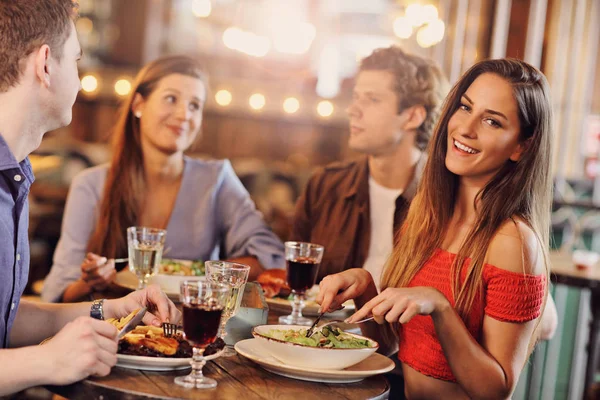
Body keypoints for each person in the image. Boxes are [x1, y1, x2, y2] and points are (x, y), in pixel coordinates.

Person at [317, 58, 555, 399]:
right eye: (465, 107)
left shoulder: (512, 241)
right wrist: (365, 289)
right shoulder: (426, 213)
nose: (466, 128)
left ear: (522, 146)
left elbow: (495, 390)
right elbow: (394, 346)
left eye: (491, 121)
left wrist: (440, 307)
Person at [0, 0, 179, 395]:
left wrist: (108, 311)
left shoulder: (13, 174)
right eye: (77, 61)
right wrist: (46, 361)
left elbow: (4, 320)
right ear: (45, 64)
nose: (81, 82)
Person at [41, 55, 285, 303]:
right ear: (138, 104)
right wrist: (91, 281)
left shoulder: (216, 179)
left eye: (194, 106)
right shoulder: (90, 185)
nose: (183, 114)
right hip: (110, 329)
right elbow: (58, 294)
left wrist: (194, 274)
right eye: (171, 99)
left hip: (189, 327)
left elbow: (270, 256)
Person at [292, 47, 447, 291]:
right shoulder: (324, 186)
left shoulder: (445, 198)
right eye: (356, 97)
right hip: (324, 328)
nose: (353, 110)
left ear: (413, 116)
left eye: (372, 99)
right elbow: (296, 287)